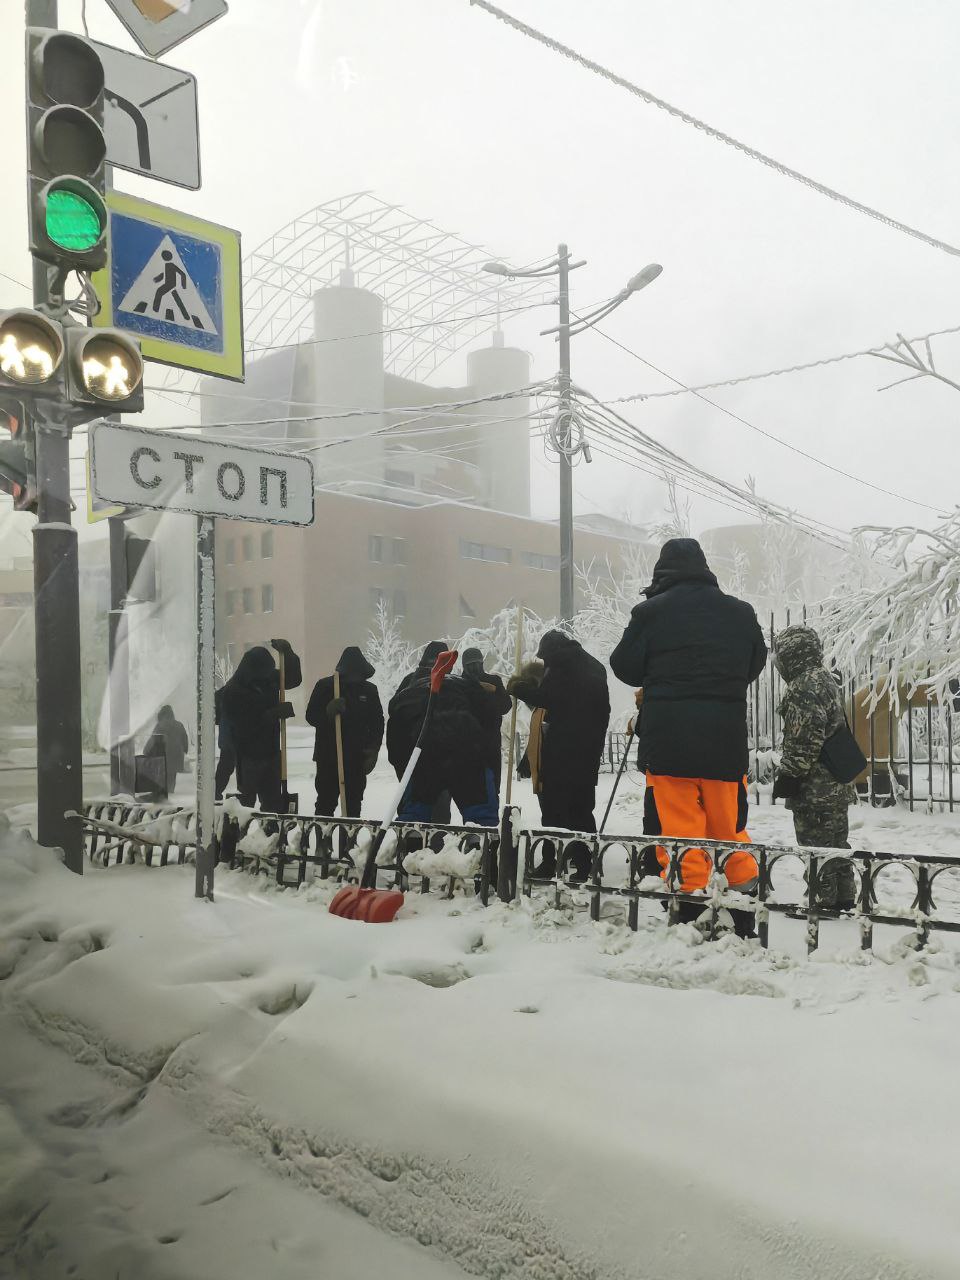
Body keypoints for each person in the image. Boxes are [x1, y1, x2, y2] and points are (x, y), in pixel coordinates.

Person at [609, 538, 767, 905]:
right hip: (724, 742)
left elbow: (624, 666)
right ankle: (743, 891)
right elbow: (754, 664)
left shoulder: (651, 613)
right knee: (728, 825)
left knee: (680, 827)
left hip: (669, 743)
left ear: (661, 572)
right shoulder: (741, 613)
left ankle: (689, 896)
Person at [508, 630, 610, 879]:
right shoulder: (593, 666)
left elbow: (549, 699)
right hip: (588, 752)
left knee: (554, 811)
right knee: (582, 810)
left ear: (552, 654)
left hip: (562, 753)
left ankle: (551, 862)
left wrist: (520, 689)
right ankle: (586, 863)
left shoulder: (564, 667)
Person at [772, 625, 857, 910]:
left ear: (789, 655)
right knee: (836, 845)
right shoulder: (824, 678)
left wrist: (789, 775)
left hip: (815, 787)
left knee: (816, 848)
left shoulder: (802, 686)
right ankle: (844, 898)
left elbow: (804, 737)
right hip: (836, 782)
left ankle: (822, 904)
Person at [387, 657, 498, 827]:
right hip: (468, 751)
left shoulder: (406, 696)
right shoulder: (469, 687)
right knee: (480, 817)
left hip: (423, 755)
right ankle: (481, 848)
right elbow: (491, 724)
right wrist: (489, 764)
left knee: (414, 816)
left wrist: (404, 769)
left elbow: (396, 741)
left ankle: (412, 845)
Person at [220, 640, 302, 812]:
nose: (268, 675)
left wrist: (288, 653)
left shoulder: (268, 679)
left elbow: (292, 679)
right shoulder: (233, 691)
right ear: (253, 670)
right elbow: (241, 727)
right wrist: (272, 714)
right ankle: (238, 837)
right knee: (245, 805)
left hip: (271, 752)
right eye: (264, 672)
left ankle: (270, 837)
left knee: (273, 803)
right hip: (247, 756)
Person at [305, 647, 384, 818]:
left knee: (353, 805)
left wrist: (373, 750)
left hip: (357, 758)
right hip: (329, 757)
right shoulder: (326, 686)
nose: (355, 679)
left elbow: (377, 722)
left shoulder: (369, 690)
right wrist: (328, 711)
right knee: (325, 803)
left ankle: (349, 842)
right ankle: (322, 842)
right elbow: (311, 716)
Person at [388, 641, 452, 824]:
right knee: (437, 815)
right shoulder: (446, 684)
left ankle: (412, 849)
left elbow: (394, 721)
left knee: (413, 812)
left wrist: (397, 758)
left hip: (409, 758)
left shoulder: (409, 682)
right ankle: (433, 850)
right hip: (436, 759)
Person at [461, 647, 512, 797]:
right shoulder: (459, 684)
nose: (475, 668)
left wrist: (492, 691)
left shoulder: (493, 681)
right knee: (468, 793)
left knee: (492, 790)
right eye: (470, 664)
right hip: (466, 746)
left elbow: (505, 706)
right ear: (464, 666)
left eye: (477, 663)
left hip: (490, 744)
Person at [142, 704, 189, 800]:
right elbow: (185, 739)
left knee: (162, 775)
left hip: (164, 755)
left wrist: (146, 751)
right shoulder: (179, 724)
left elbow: (153, 739)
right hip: (177, 755)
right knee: (172, 775)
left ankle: (162, 794)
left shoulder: (160, 725)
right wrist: (185, 749)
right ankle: (170, 792)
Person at [214, 685, 237, 801]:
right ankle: (215, 793)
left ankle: (215, 793)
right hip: (235, 738)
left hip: (227, 738)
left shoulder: (223, 693)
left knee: (225, 767)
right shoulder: (239, 691)